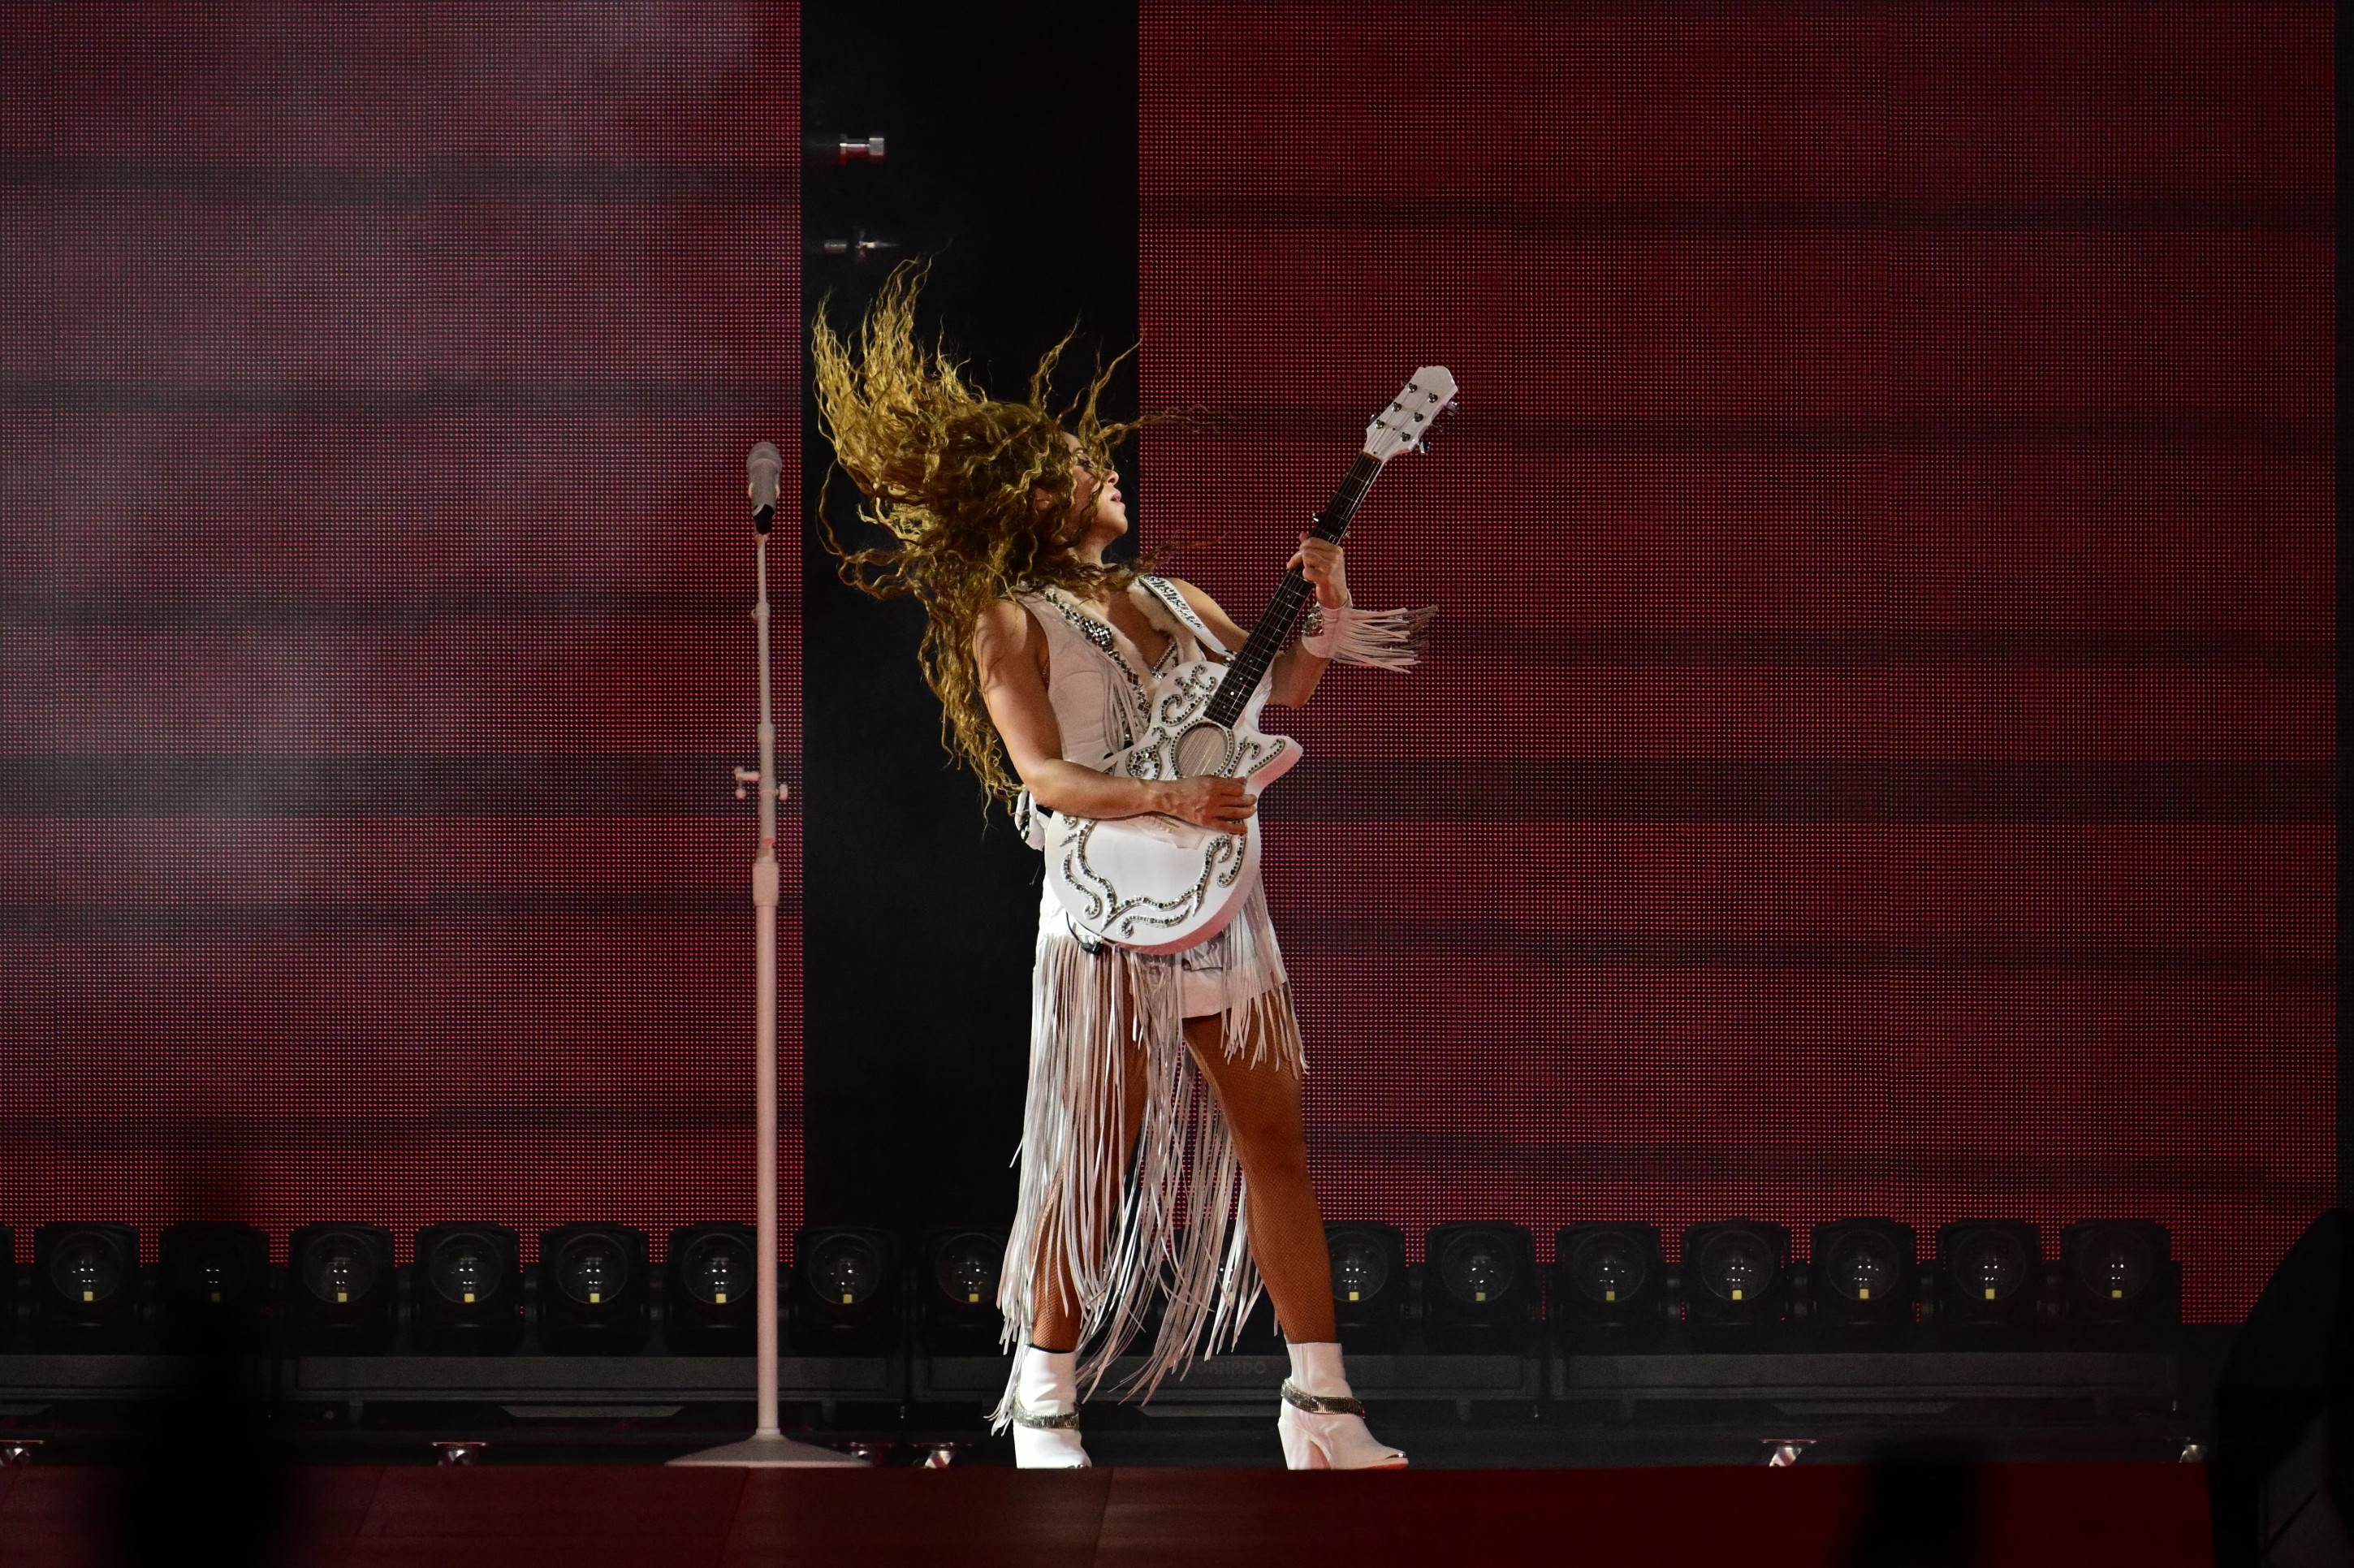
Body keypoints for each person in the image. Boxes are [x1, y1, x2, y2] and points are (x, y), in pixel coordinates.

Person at [810, 261, 1433, 1468]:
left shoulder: (1176, 595)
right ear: (1033, 500)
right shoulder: (1010, 619)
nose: (1107, 475)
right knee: (1092, 1159)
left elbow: (1280, 688)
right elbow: (1043, 779)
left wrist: (1330, 598)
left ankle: (1321, 1407)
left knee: (1279, 1142)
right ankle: (1043, 1394)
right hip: (1105, 913)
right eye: (1082, 469)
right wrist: (1168, 795)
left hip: (1220, 903)